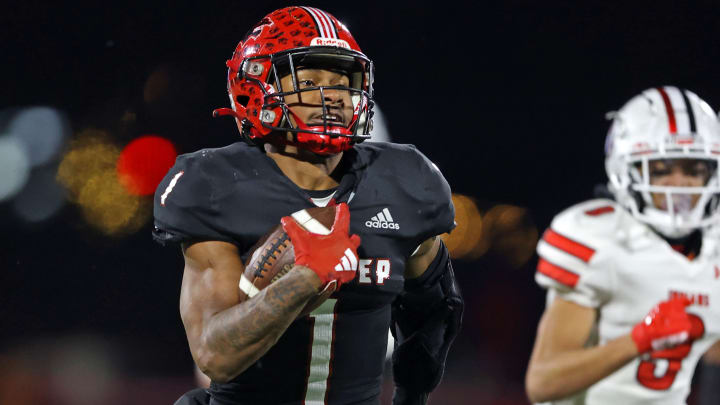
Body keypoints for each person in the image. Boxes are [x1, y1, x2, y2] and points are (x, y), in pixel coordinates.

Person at [153, 6, 462, 405]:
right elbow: (215, 355)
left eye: (340, 80)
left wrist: (412, 393)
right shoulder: (216, 186)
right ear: (258, 85)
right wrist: (302, 281)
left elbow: (436, 306)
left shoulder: (403, 182)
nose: (331, 94)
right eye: (310, 78)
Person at [525, 86, 720, 405]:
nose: (680, 184)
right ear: (625, 170)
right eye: (661, 170)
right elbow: (542, 383)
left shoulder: (714, 244)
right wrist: (639, 340)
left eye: (694, 169)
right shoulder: (601, 239)